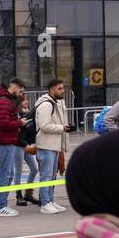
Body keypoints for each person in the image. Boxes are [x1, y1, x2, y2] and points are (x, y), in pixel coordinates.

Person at [34, 78, 74, 214]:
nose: (62, 91)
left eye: (63, 88)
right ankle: (45, 203)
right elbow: (44, 126)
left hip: (53, 144)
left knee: (52, 175)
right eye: (59, 89)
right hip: (46, 145)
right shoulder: (46, 105)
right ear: (51, 89)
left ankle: (49, 200)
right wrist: (62, 127)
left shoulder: (55, 102)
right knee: (46, 176)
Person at [0, 78, 26, 217]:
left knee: (8, 173)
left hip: (7, 140)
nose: (21, 94)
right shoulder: (5, 102)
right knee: (6, 173)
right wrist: (19, 123)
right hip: (5, 141)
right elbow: (4, 124)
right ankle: (1, 206)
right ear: (14, 88)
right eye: (20, 91)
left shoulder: (5, 100)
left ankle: (3, 204)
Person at [15, 92, 41, 208]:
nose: (26, 101)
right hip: (18, 145)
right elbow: (17, 134)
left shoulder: (29, 112)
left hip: (27, 145)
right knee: (18, 171)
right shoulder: (17, 114)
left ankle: (28, 194)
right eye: (23, 100)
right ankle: (18, 195)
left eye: (26, 100)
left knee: (34, 169)